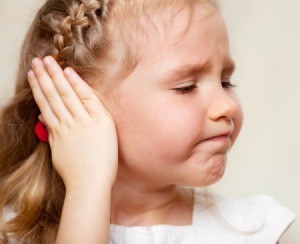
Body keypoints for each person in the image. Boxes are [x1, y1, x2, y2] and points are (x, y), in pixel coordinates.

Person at [0, 0, 296, 243]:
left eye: (226, 81)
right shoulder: (12, 230)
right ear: (72, 102)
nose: (227, 105)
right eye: (186, 86)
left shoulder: (261, 232)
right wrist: (87, 186)